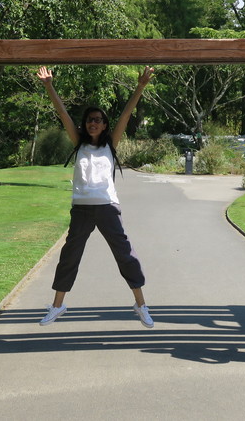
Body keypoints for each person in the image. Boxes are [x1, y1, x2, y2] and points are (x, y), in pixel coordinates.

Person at [35, 65, 156, 328]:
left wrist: (140, 86)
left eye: (98, 120)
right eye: (90, 119)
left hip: (107, 207)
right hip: (81, 209)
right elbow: (62, 113)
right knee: (70, 256)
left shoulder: (111, 145)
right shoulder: (78, 143)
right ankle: (58, 306)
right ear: (85, 123)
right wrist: (49, 86)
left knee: (125, 254)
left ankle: (141, 304)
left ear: (104, 125)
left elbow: (126, 114)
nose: (93, 123)